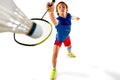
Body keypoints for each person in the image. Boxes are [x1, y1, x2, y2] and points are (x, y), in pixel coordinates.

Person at [46, 1, 80, 79]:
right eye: (59, 7)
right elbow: (53, 18)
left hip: (67, 37)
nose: (62, 8)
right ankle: (54, 69)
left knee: (70, 46)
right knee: (54, 55)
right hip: (59, 40)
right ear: (57, 10)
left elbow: (72, 17)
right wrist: (51, 12)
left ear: (66, 9)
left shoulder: (68, 15)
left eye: (63, 7)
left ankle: (69, 53)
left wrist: (75, 18)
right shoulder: (58, 20)